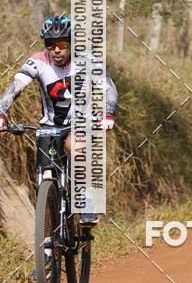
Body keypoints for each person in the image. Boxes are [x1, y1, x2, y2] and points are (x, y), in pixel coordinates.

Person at [0, 15, 118, 226]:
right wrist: (1, 112)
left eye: (62, 45)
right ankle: (47, 238)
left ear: (72, 43)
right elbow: (15, 86)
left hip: (82, 123)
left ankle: (85, 200)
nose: (56, 50)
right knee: (44, 175)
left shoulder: (88, 61)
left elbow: (108, 89)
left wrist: (108, 113)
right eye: (50, 45)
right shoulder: (38, 61)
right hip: (50, 126)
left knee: (75, 146)